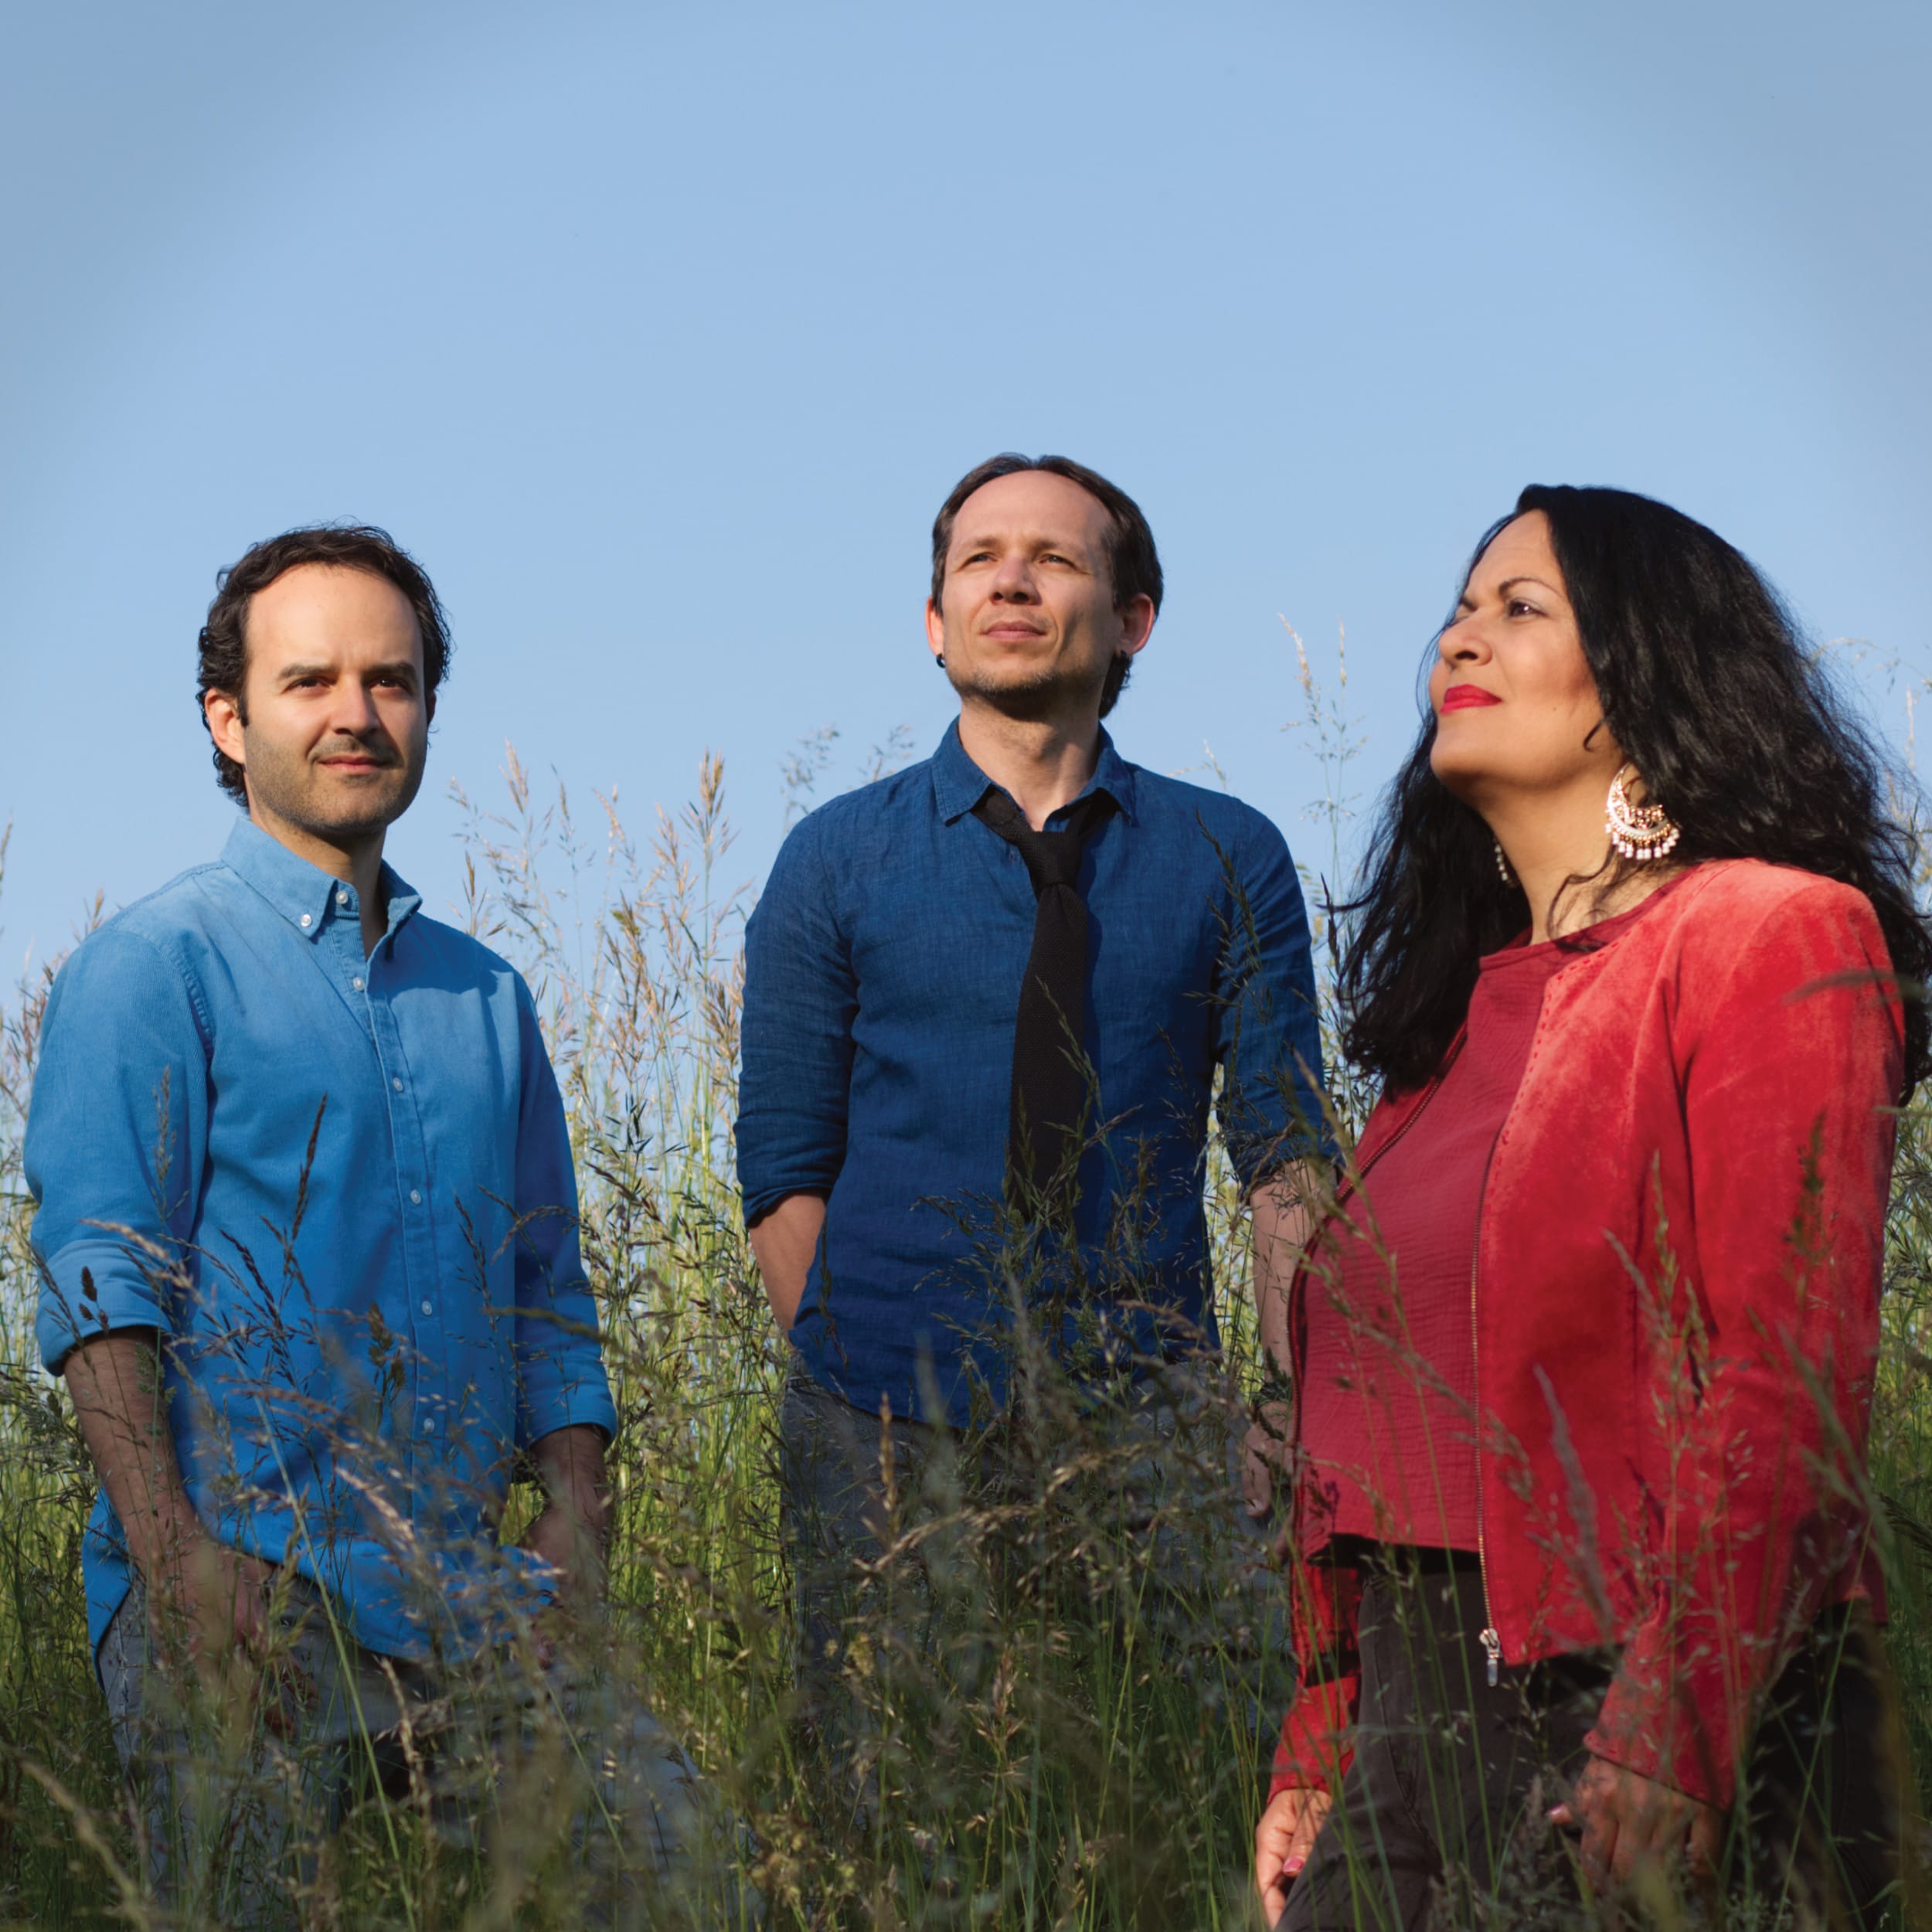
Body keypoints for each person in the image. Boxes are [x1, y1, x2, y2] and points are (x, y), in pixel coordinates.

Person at [1253, 486, 1925, 1930]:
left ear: (1645, 673)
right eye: (1459, 609)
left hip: (1642, 1704)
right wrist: (1321, 1740)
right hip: (1402, 1743)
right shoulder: (1444, 1041)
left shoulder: (1770, 932)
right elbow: (1370, 1442)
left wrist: (1680, 1721)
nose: (1459, 638)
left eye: (1521, 608)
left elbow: (1788, 1380)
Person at [28, 526, 716, 1925]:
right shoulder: (153, 968)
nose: (357, 713)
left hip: (475, 1603)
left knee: (687, 1873)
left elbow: (547, 1291)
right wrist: (173, 1557)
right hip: (242, 1587)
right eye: (310, 682)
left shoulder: (489, 999)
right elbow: (101, 1289)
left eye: (390, 681)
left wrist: (576, 1517)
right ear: (228, 719)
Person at [735, 453, 1331, 1772]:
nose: (1011, 580)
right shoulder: (834, 859)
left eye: (1055, 559)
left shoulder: (1229, 854)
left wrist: (1286, 1413)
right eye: (979, 560)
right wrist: (859, 1391)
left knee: (1207, 1779)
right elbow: (782, 1168)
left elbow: (1285, 1155)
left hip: (1157, 1415)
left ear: (1132, 620)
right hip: (881, 1423)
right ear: (936, 621)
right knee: (896, 1808)